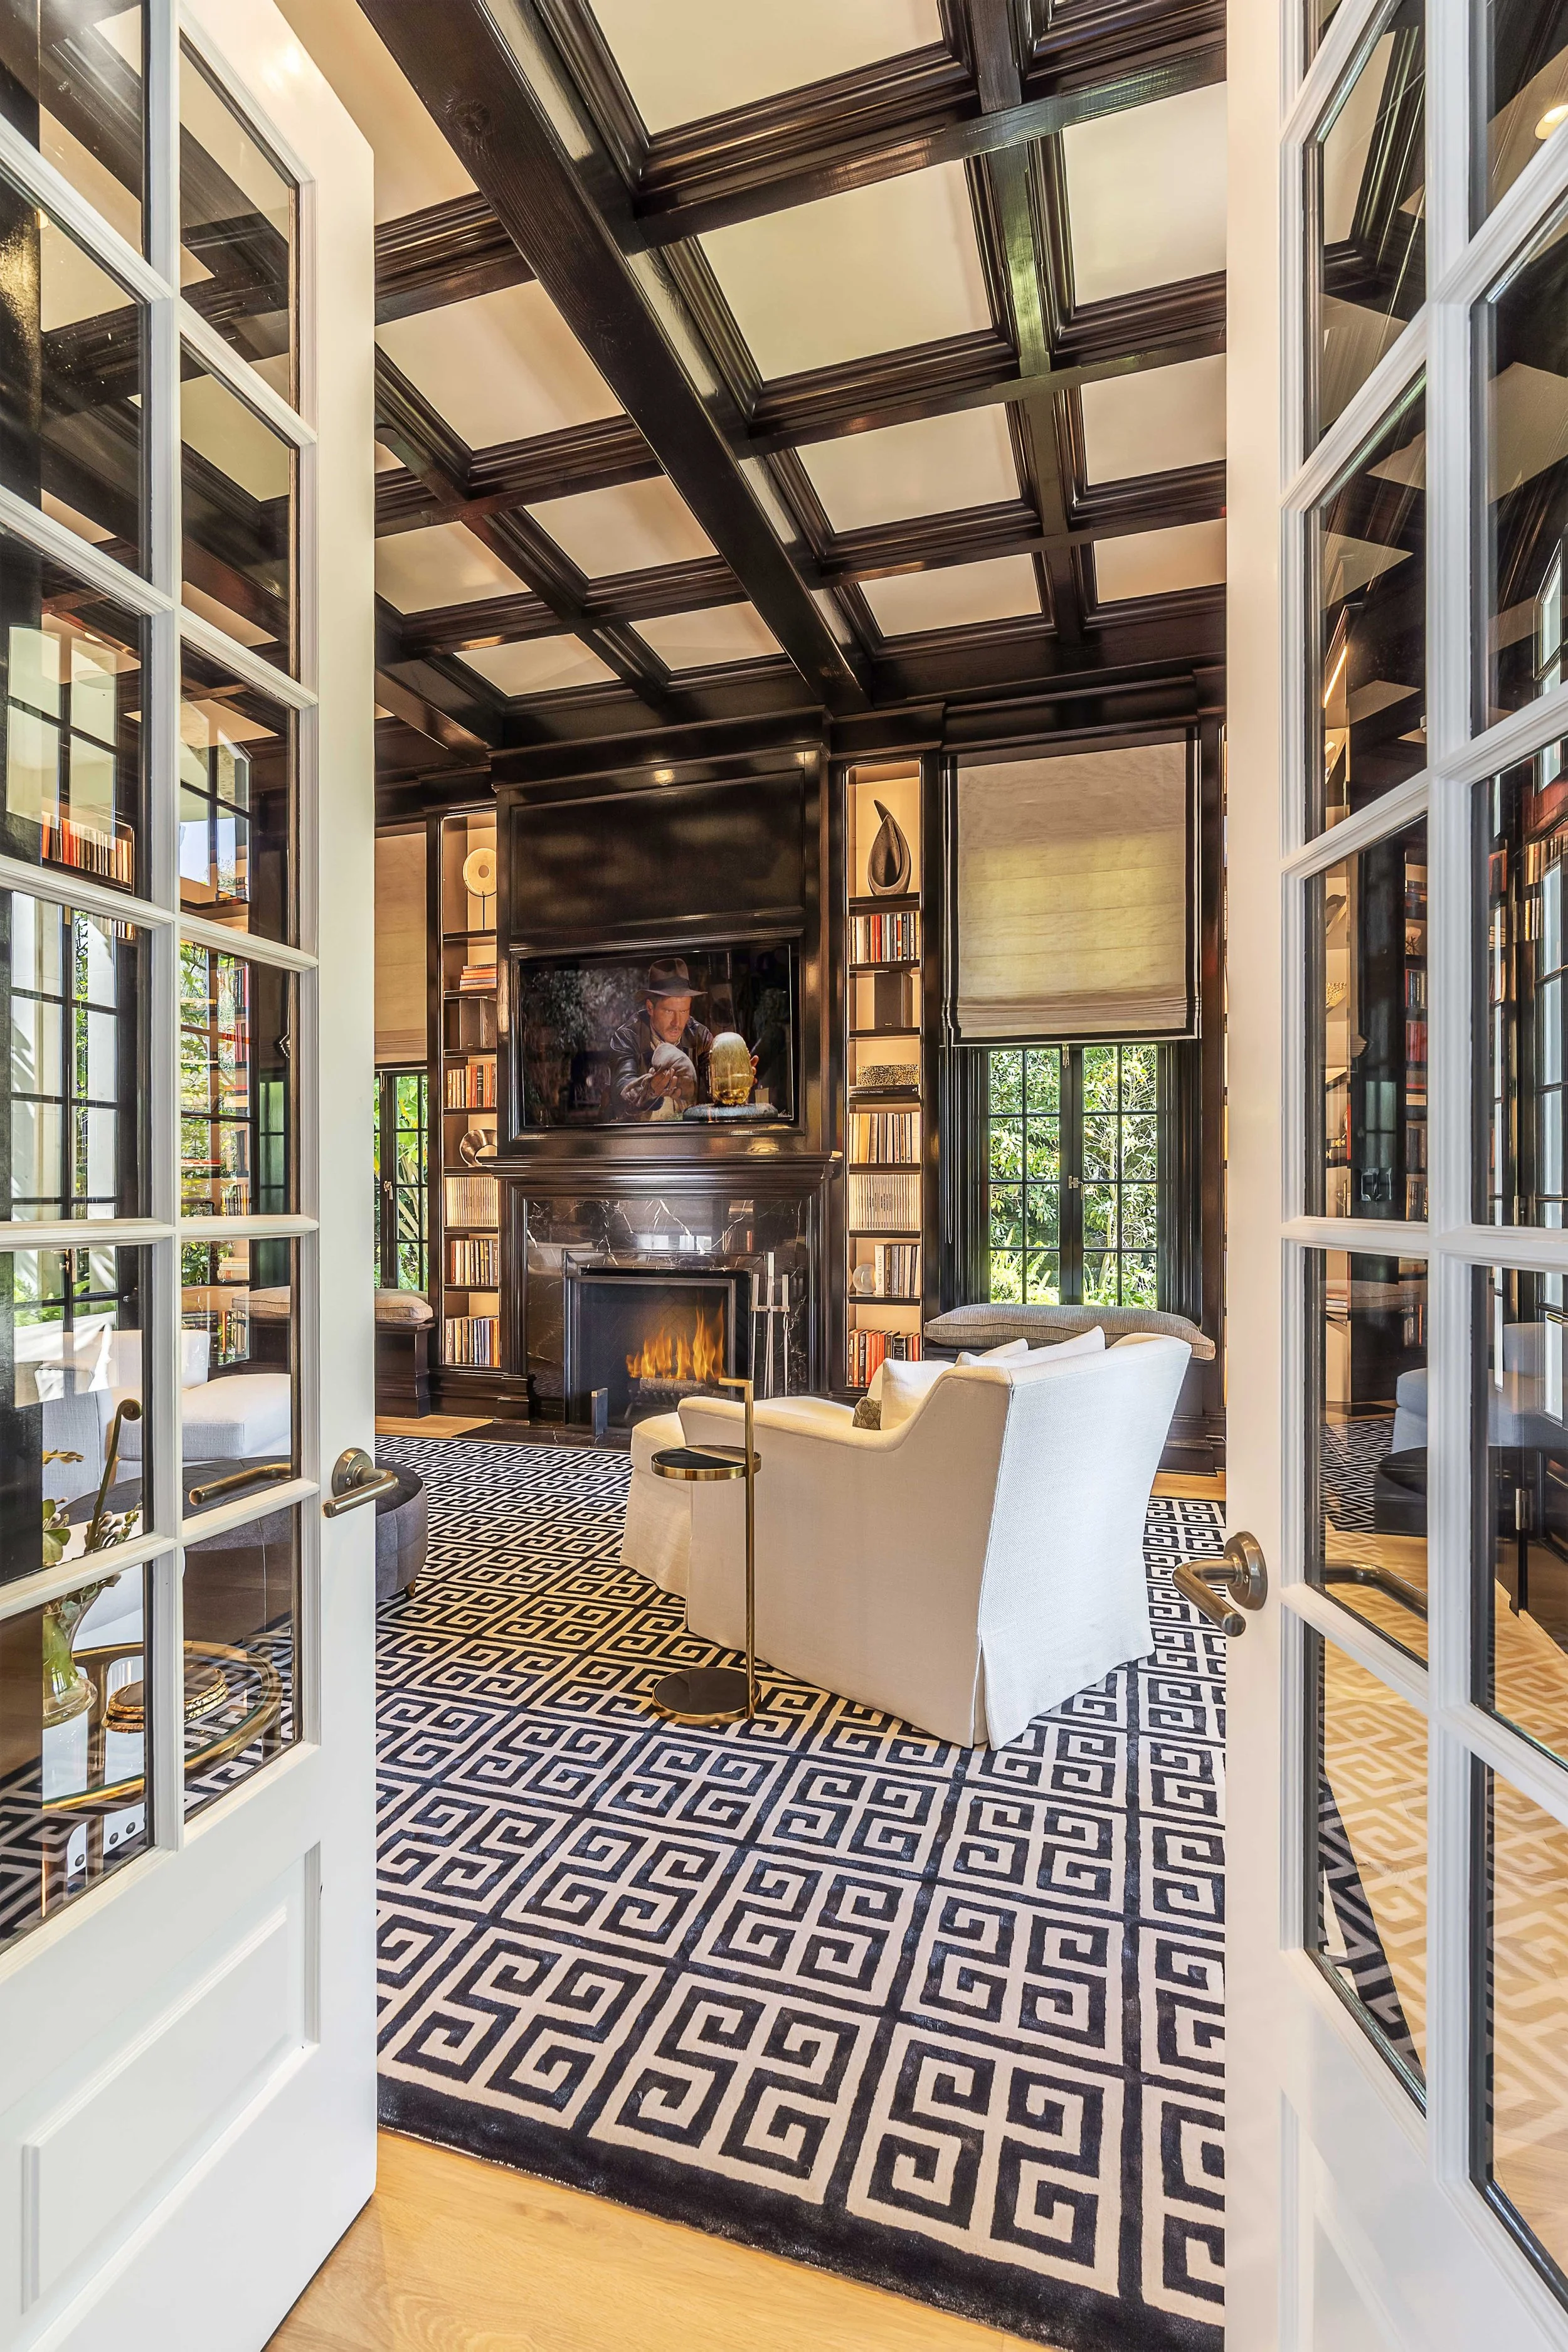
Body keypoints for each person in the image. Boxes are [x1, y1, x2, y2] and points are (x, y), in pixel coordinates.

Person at [609, 958, 716, 1120]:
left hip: (692, 1138)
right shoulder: (627, 1037)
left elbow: (714, 1086)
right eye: (668, 1011)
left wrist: (732, 1077)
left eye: (683, 1011)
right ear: (650, 1007)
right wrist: (650, 1089)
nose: (678, 1023)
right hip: (641, 1140)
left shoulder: (700, 1036)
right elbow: (621, 1093)